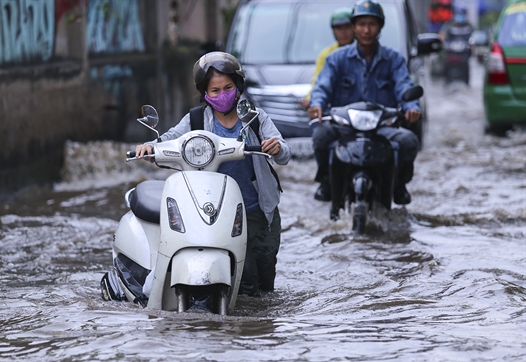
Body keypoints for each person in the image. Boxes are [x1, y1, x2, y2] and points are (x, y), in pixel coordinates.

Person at [135, 52, 292, 297]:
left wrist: (277, 147)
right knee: (243, 274)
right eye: (215, 90)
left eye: (228, 87)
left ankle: (260, 330)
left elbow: (284, 154)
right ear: (205, 94)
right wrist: (149, 148)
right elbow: (167, 141)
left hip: (256, 210)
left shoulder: (256, 118)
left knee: (264, 283)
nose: (222, 94)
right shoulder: (195, 120)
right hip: (216, 211)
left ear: (238, 87)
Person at [307, 0, 421, 205]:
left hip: (381, 128)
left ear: (380, 27)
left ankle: (399, 185)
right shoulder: (336, 59)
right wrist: (317, 105)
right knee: (320, 135)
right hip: (345, 127)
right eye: (361, 24)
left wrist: (411, 108)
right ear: (354, 27)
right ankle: (325, 180)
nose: (366, 30)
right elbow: (322, 86)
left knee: (409, 140)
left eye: (372, 24)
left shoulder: (394, 59)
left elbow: (404, 86)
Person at [300, 7, 355, 111]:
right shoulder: (327, 55)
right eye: (338, 28)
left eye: (347, 27)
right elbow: (319, 82)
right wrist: (311, 99)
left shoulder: (365, 51)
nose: (343, 32)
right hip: (335, 108)